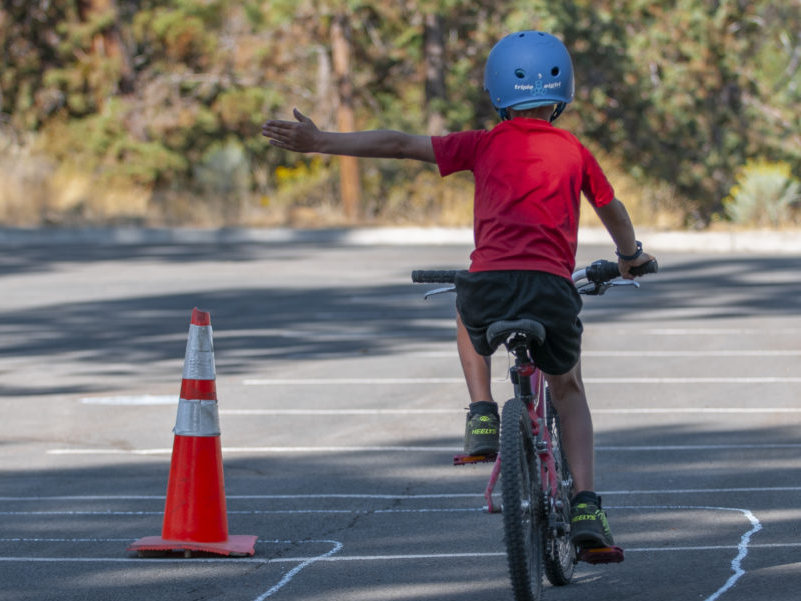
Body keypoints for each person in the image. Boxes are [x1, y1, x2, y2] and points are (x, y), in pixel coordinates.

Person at [262, 30, 655, 550]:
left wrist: (322, 141)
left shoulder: (483, 143)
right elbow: (612, 209)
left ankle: (483, 414)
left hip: (489, 284)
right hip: (551, 289)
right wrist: (630, 257)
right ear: (563, 94)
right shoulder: (576, 151)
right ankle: (587, 505)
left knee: (467, 310)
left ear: (496, 93)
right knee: (569, 390)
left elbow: (400, 144)